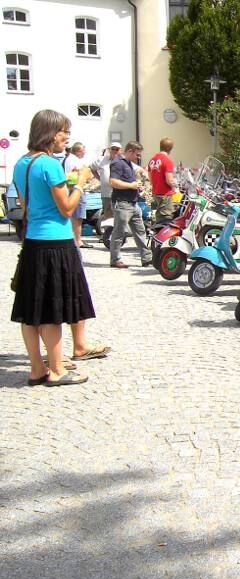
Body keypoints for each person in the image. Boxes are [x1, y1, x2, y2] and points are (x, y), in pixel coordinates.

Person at [11, 109, 107, 386]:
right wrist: (81, 183)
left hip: (33, 241)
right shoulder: (50, 165)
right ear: (51, 134)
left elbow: (27, 206)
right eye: (64, 132)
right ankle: (56, 370)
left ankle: (36, 369)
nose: (66, 137)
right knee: (51, 310)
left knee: (31, 311)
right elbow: (66, 208)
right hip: (56, 242)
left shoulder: (21, 163)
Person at [109, 141, 152, 268]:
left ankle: (147, 258)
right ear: (130, 151)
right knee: (119, 233)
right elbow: (113, 182)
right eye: (137, 154)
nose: (138, 157)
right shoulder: (117, 163)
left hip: (133, 203)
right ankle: (115, 259)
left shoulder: (128, 163)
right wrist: (131, 185)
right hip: (122, 203)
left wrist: (137, 186)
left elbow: (131, 178)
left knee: (140, 231)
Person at [63, 141, 93, 248]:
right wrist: (86, 175)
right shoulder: (73, 160)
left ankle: (76, 239)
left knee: (77, 216)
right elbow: (81, 173)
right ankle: (77, 240)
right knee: (78, 216)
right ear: (78, 151)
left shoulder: (70, 159)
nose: (85, 152)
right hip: (76, 189)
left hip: (74, 188)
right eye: (83, 150)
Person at [147, 137, 177, 221]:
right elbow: (169, 180)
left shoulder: (152, 160)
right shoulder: (167, 161)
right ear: (170, 148)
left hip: (156, 192)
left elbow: (150, 177)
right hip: (165, 193)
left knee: (158, 216)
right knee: (165, 217)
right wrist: (175, 186)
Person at [91, 142, 122, 221]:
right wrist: (100, 178)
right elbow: (92, 168)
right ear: (109, 150)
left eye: (117, 149)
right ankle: (108, 229)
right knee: (108, 216)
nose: (114, 151)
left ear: (120, 151)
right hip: (106, 193)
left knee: (120, 216)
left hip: (120, 194)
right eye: (113, 149)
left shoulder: (123, 161)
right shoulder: (101, 160)